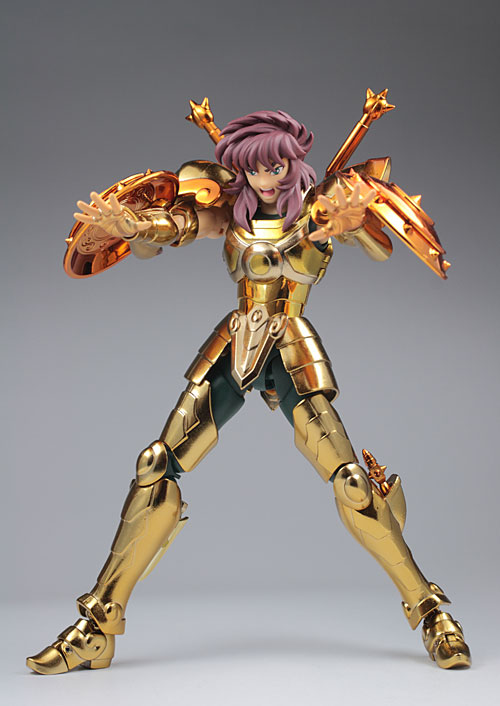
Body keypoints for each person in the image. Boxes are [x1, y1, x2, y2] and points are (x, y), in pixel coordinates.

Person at [27, 106, 470, 674]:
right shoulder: (230, 212)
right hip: (235, 343)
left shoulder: (319, 209)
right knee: (155, 464)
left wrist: (354, 220)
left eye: (275, 166)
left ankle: (431, 611)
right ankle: (97, 628)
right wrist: (134, 228)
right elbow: (175, 230)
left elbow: (379, 247)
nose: (265, 178)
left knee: (353, 481)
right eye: (254, 169)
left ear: (293, 162)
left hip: (292, 348)